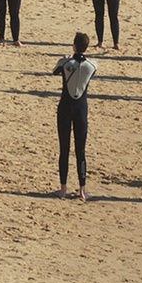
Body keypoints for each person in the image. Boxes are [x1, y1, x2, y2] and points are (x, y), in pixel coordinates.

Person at [53, 32, 98, 200]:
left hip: (65, 107)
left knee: (64, 149)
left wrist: (67, 58)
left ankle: (63, 189)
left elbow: (55, 71)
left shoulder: (65, 62)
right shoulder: (92, 65)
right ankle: (82, 190)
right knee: (81, 150)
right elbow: (90, 70)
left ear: (74, 46)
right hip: (81, 109)